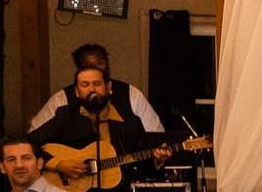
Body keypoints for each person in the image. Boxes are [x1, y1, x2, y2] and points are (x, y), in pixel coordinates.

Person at [28, 65, 171, 192]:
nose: (91, 89)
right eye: (85, 85)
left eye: (96, 83)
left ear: (108, 88)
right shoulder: (65, 118)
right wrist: (58, 164)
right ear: (76, 92)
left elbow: (141, 162)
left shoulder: (130, 123)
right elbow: (30, 144)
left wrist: (157, 160)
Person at [30, 42, 164, 133]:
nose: (97, 71)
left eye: (100, 64)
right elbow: (33, 141)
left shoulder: (130, 95)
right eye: (89, 67)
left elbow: (155, 135)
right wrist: (58, 163)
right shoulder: (61, 99)